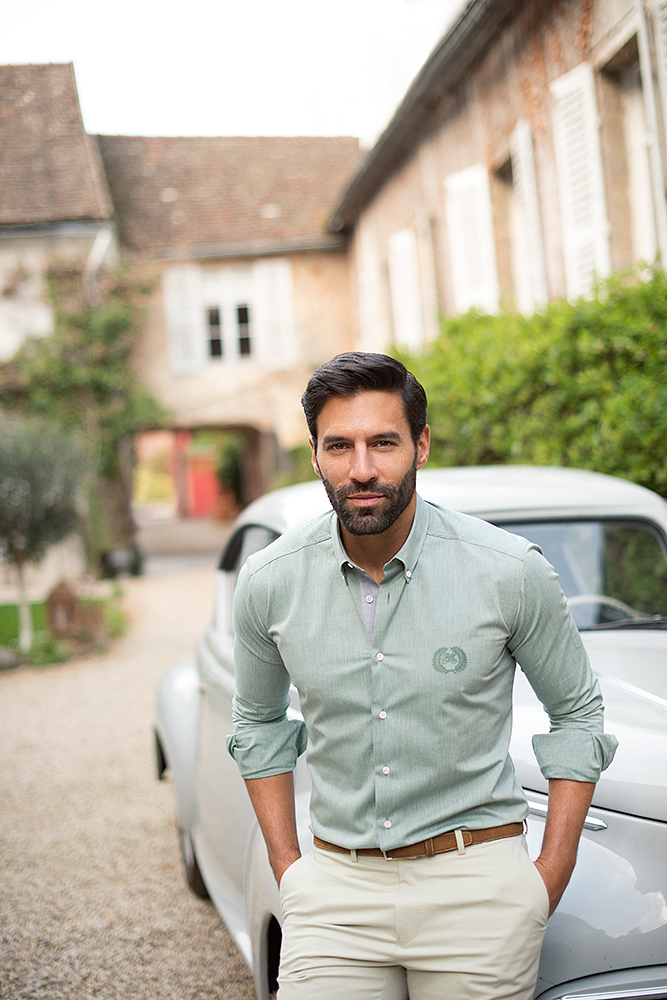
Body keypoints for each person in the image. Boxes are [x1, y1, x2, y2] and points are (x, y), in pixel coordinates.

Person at [227, 352, 617, 1000]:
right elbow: (258, 723)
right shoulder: (270, 583)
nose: (361, 469)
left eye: (383, 443)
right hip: (334, 890)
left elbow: (576, 713)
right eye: (339, 446)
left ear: (421, 444)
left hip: (477, 886)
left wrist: (547, 874)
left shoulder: (507, 571)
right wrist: (288, 868)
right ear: (314, 453)